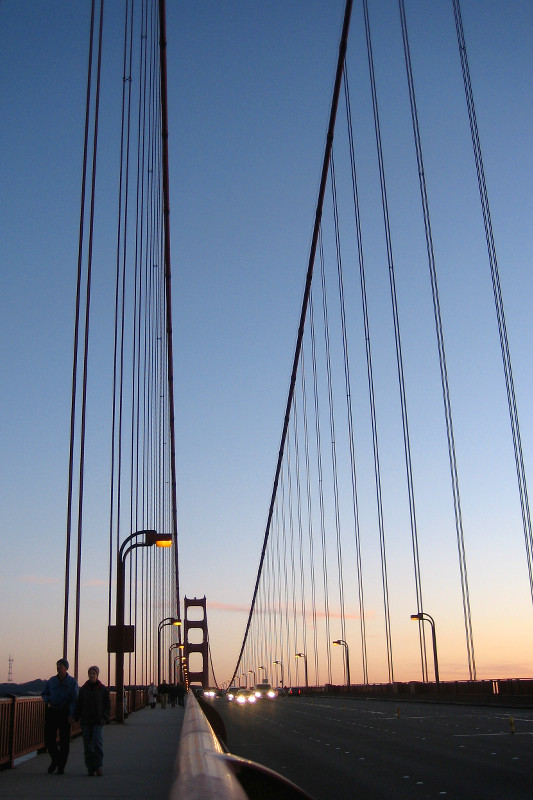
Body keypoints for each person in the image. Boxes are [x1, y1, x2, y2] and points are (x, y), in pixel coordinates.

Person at [42, 658, 78, 774]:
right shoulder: (51, 681)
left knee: (64, 741)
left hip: (65, 712)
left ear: (66, 668)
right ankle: (56, 760)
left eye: (61, 665)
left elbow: (75, 699)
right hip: (53, 711)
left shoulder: (72, 682)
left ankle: (61, 765)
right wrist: (48, 699)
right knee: (49, 739)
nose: (59, 668)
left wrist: (72, 714)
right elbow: (44, 693)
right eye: (57, 665)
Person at [74, 665, 110, 777]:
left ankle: (98, 766)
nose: (92, 675)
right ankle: (90, 767)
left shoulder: (103, 689)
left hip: (98, 720)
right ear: (88, 674)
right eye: (90, 673)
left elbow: (107, 704)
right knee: (87, 745)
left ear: (97, 675)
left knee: (98, 743)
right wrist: (76, 717)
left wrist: (105, 717)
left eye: (94, 673)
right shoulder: (83, 689)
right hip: (86, 720)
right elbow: (79, 704)